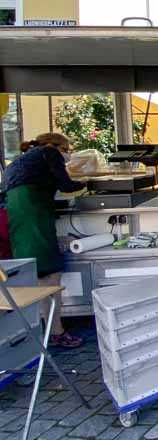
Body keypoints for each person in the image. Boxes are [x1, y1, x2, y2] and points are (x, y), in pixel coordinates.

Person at [2, 133, 86, 348]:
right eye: (67, 150)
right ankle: (55, 332)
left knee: (36, 276)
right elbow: (67, 185)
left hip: (21, 220)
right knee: (49, 277)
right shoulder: (49, 152)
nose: (67, 154)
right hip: (35, 219)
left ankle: (45, 330)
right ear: (57, 146)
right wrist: (88, 182)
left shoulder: (22, 160)